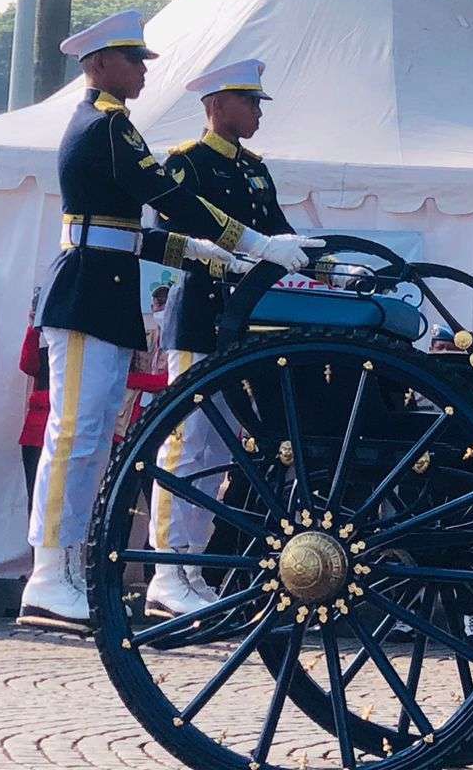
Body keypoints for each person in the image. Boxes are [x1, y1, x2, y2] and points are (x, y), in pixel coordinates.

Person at [20, 12, 323, 634]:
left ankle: (70, 570)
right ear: (101, 62)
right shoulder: (106, 126)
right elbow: (170, 201)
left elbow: (130, 237)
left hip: (102, 291)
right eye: (133, 60)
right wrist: (252, 243)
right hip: (84, 291)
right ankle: (50, 575)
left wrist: (204, 252)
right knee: (75, 433)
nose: (142, 70)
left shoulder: (114, 126)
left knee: (92, 436)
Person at [145, 59, 300, 618]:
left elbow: (278, 231)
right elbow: (168, 233)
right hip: (200, 318)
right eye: (249, 100)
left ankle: (192, 569)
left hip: (245, 322)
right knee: (187, 446)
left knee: (222, 451)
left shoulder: (256, 169)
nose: (258, 111)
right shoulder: (186, 165)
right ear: (216, 103)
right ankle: (167, 567)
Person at [18, 290, 49, 508]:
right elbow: (27, 365)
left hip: (64, 435)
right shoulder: (46, 354)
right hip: (36, 435)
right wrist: (33, 328)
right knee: (35, 497)